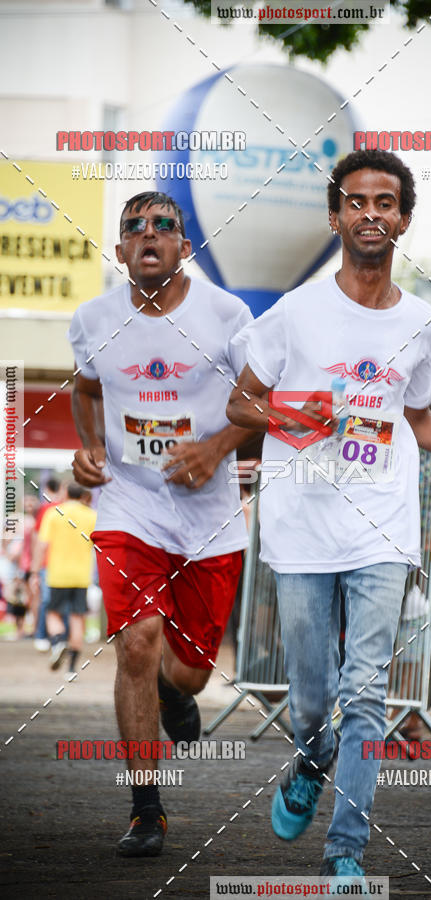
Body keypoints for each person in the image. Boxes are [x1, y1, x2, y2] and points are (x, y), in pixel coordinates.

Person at [227, 150, 431, 882]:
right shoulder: (295, 313)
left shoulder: (422, 323)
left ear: (404, 220)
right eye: (356, 201)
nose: (371, 213)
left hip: (381, 522)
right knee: (314, 697)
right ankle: (311, 757)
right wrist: (295, 410)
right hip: (300, 527)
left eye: (386, 202)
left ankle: (345, 852)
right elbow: (239, 404)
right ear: (336, 216)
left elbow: (414, 417)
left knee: (367, 689)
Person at [68, 191, 254, 857]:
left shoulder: (227, 315)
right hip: (130, 505)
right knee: (138, 643)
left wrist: (214, 448)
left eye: (163, 226)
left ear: (185, 247)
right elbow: (86, 389)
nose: (148, 234)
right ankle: (146, 809)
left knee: (191, 674)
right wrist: (90, 450)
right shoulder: (92, 319)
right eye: (133, 228)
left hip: (208, 518)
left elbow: (259, 402)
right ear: (120, 252)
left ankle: (178, 698)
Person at [32, 482, 97, 675]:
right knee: (77, 618)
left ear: (66, 493)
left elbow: (42, 545)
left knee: (53, 613)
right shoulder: (92, 515)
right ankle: (71, 669)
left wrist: (34, 572)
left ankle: (59, 642)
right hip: (81, 575)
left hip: (58, 574)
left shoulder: (54, 514)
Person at [31, 476, 66, 651]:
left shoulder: (47, 509)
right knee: (59, 602)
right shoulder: (60, 509)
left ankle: (44, 637)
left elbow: (37, 538)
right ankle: (58, 638)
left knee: (46, 600)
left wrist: (33, 567)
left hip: (48, 564)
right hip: (59, 563)